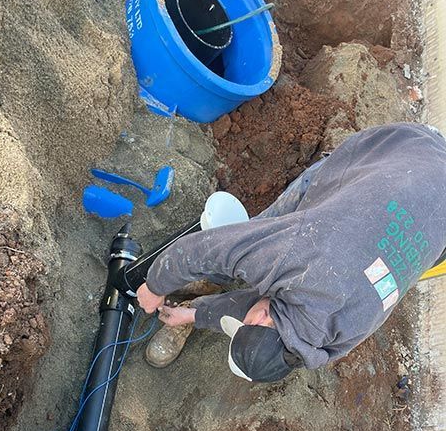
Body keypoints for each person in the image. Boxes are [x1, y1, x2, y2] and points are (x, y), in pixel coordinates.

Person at [137, 122, 446, 383]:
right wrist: (153, 287)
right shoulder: (299, 251)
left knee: (266, 262)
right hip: (408, 146)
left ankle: (197, 296)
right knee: (264, 229)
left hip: (430, 209)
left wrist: (195, 315)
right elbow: (205, 249)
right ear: (258, 319)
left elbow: (278, 312)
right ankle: (213, 278)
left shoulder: (340, 337)